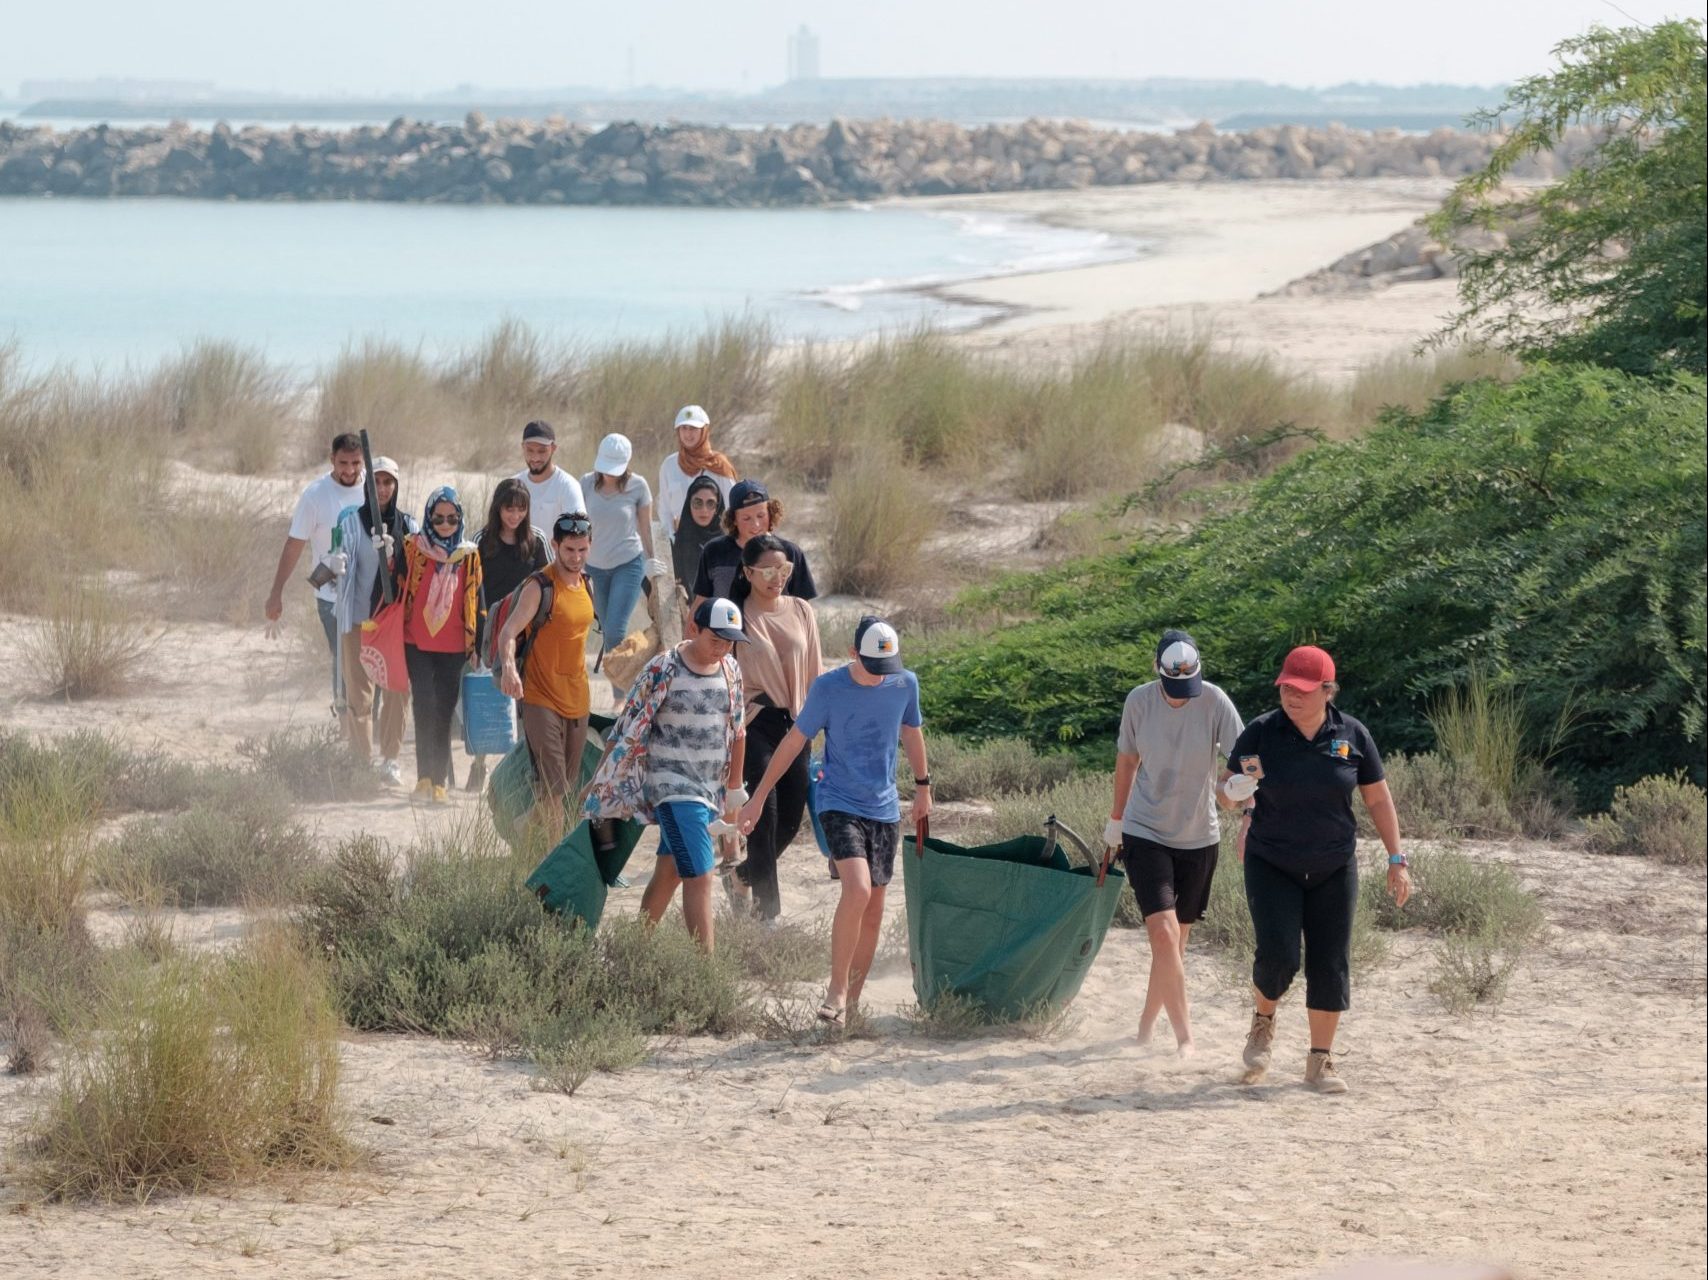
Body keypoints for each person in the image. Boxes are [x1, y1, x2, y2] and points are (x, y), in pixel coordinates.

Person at [1222, 644, 1411, 1094]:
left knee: (1331, 963)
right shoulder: (1260, 735)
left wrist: (1397, 858)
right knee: (1278, 958)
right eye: (1287, 686)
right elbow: (1226, 795)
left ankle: (1319, 1061)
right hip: (1272, 862)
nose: (1292, 696)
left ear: (1328, 690)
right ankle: (1264, 1020)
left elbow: (1378, 799)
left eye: (1304, 689)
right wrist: (1233, 793)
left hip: (1333, 864)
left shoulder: (1352, 735)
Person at [738, 616, 929, 1026]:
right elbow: (794, 741)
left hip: (884, 807)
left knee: (875, 908)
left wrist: (923, 787)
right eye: (872, 666)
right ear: (852, 653)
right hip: (837, 799)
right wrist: (757, 798)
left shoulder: (904, 684)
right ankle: (836, 989)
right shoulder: (828, 687)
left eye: (887, 667)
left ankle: (852, 1006)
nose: (881, 676)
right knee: (857, 889)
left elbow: (912, 733)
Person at [1104, 629, 1244, 1058]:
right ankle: (1186, 1040)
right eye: (1173, 688)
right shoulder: (1139, 702)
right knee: (1164, 937)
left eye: (1188, 688)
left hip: (1199, 835)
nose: (1180, 696)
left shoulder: (1216, 701)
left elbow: (1243, 764)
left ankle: (1146, 1028)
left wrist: (1237, 791)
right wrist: (1117, 819)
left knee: (1174, 947)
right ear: (1157, 671)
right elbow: (1127, 760)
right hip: (1145, 829)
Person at [583, 598, 750, 952]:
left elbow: (738, 731)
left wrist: (734, 788)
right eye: (715, 639)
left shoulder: (731, 670)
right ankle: (705, 974)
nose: (722, 648)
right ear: (694, 629)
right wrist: (599, 780)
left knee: (671, 870)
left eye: (729, 642)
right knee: (701, 875)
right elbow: (626, 726)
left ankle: (631, 951)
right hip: (672, 789)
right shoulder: (665, 668)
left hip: (710, 790)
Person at [724, 534, 823, 921]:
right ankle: (767, 916)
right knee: (762, 815)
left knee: (791, 819)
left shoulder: (801, 610)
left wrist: (817, 720)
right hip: (754, 720)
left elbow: (815, 669)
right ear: (747, 572)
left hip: (798, 719)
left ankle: (743, 877)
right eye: (766, 571)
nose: (776, 577)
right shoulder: (736, 614)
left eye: (783, 570)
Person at [496, 512, 596, 841]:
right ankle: (559, 861)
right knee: (553, 791)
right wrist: (509, 667)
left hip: (577, 698)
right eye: (569, 550)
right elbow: (509, 631)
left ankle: (522, 830)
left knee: (560, 790)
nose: (576, 557)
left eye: (582, 550)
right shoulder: (540, 586)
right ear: (555, 546)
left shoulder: (588, 584)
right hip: (539, 697)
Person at [330, 455, 414, 787]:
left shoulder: (409, 525)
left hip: (392, 624)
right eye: (376, 481)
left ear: (396, 485)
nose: (382, 488)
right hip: (357, 621)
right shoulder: (351, 522)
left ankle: (390, 759)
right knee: (358, 696)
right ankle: (361, 763)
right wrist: (334, 565)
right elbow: (339, 560)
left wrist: (397, 556)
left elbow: (416, 572)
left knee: (396, 690)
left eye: (388, 482)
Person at [265, 433, 365, 709]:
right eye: (343, 463)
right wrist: (276, 593)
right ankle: (347, 719)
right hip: (330, 595)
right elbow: (294, 545)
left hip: (369, 593)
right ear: (332, 459)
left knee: (369, 660)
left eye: (355, 463)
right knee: (344, 659)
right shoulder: (315, 496)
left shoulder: (373, 487)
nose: (349, 470)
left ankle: (367, 724)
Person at [399, 486, 483, 804]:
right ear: (429, 518)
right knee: (422, 705)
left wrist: (477, 644)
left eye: (452, 518)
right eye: (438, 518)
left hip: (453, 646)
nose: (445, 524)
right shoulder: (413, 547)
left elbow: (477, 598)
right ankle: (423, 777)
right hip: (415, 641)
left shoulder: (469, 554)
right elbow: (395, 583)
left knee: (444, 712)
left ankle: (440, 782)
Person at [467, 478, 550, 791]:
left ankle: (520, 770)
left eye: (520, 509)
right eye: (508, 508)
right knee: (490, 699)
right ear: (497, 508)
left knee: (525, 700)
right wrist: (475, 641)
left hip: (529, 632)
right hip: (492, 631)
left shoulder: (537, 541)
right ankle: (479, 764)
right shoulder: (481, 541)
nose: (514, 515)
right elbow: (472, 593)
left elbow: (549, 585)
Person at [581, 433, 664, 672]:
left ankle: (620, 694)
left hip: (628, 563)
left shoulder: (638, 486)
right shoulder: (585, 483)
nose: (609, 473)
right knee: (607, 628)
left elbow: (646, 528)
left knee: (616, 627)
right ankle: (625, 676)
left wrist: (652, 562)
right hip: (594, 566)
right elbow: (576, 525)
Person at [690, 479, 817, 610]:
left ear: (771, 513)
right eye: (746, 518)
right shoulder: (714, 552)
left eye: (761, 516)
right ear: (733, 519)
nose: (756, 525)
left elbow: (804, 609)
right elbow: (701, 603)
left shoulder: (791, 553)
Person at [656, 404, 738, 544]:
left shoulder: (719, 465)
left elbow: (732, 506)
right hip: (682, 543)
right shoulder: (669, 465)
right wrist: (672, 538)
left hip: (716, 542)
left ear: (704, 431)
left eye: (693, 429)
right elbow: (664, 507)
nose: (688, 434)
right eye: (684, 428)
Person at [513, 420, 585, 541]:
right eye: (530, 450)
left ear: (553, 448)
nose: (535, 458)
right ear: (522, 448)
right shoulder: (513, 484)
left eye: (542, 451)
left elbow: (578, 533)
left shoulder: (568, 486)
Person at [670, 475, 726, 598]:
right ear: (688, 505)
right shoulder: (676, 544)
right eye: (697, 503)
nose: (704, 510)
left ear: (717, 507)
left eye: (710, 503)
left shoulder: (728, 544)